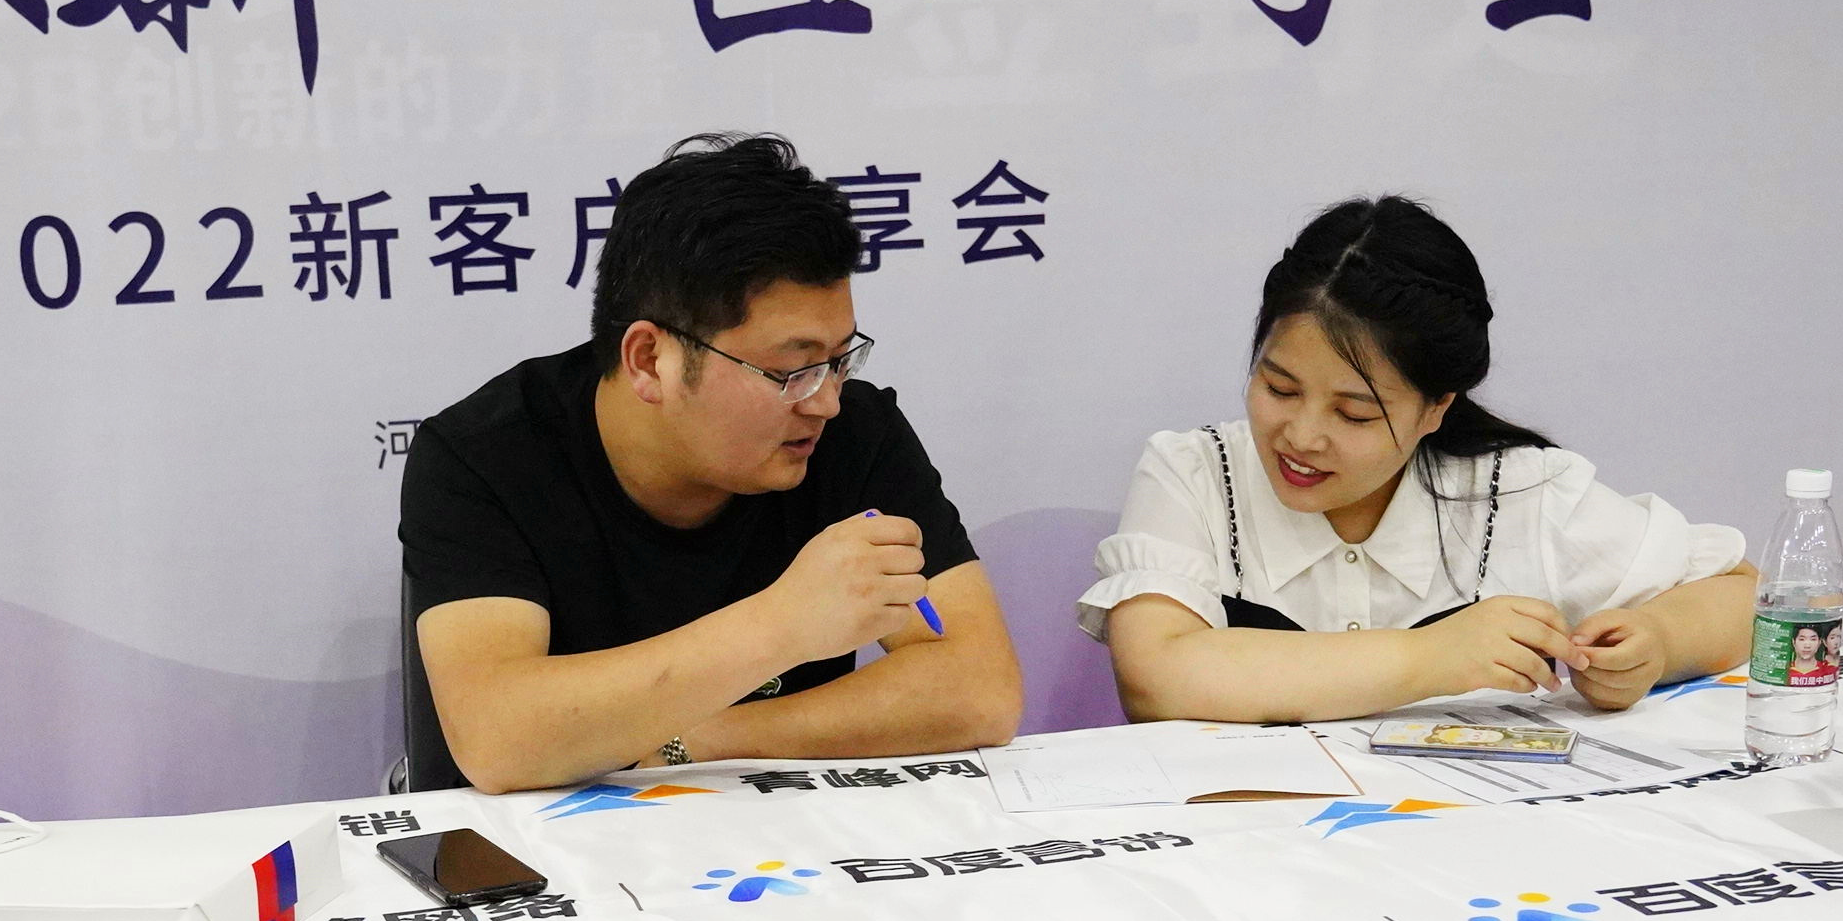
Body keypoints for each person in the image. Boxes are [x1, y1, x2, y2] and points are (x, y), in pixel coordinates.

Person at [399, 133, 1022, 793]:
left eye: (840, 358)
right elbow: (498, 739)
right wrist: (784, 623)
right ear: (650, 360)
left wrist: (694, 741)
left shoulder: (852, 434)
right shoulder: (486, 455)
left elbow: (981, 689)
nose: (826, 401)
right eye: (792, 370)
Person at [1079, 196, 1752, 723]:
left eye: (1354, 414)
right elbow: (1157, 678)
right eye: (1279, 388)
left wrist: (1655, 643)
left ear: (1437, 408)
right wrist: (1431, 655)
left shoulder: (1517, 491)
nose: (1302, 437)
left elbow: (1744, 597)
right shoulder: (1195, 474)